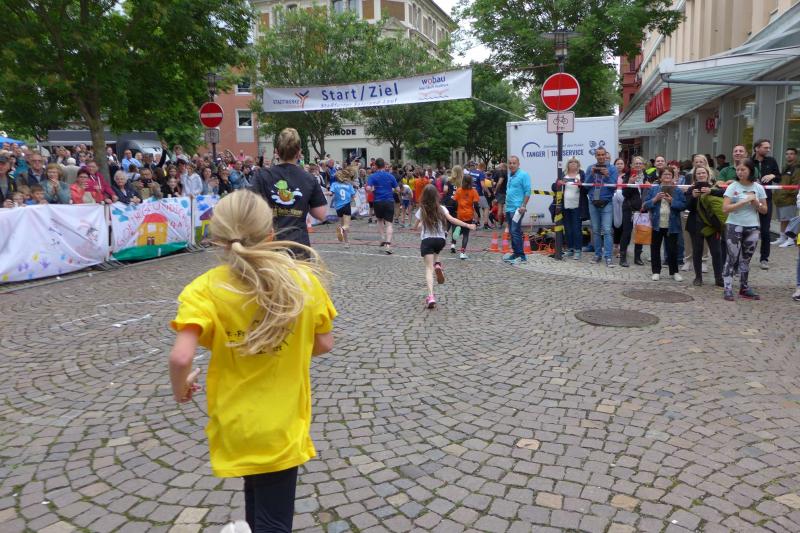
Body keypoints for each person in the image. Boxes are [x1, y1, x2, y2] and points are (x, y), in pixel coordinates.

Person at [168, 190, 335, 533]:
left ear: (217, 239)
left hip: (235, 422)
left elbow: (181, 356)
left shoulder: (204, 289)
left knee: (256, 496)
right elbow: (324, 343)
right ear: (270, 234)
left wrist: (180, 388)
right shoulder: (302, 281)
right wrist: (286, 345)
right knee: (274, 519)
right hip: (281, 424)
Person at [249, 128, 328, 249]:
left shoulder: (261, 175)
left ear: (276, 151)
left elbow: (249, 208)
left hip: (269, 245)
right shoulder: (309, 179)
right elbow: (321, 214)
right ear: (299, 153)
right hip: (298, 245)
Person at [413, 184, 476, 308]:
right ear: (436, 196)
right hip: (440, 240)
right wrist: (467, 225)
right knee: (436, 250)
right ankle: (437, 264)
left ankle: (431, 296)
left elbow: (416, 227)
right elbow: (452, 220)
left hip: (427, 240)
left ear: (424, 196)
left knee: (428, 269)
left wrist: (421, 224)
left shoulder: (422, 210)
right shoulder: (442, 208)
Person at [721, 158, 768, 300]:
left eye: (743, 170)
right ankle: (728, 288)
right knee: (732, 257)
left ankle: (744, 287)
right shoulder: (733, 187)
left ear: (750, 171)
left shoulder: (758, 188)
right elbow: (725, 208)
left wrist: (756, 203)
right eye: (738, 170)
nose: (740, 172)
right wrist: (742, 202)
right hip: (734, 225)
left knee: (746, 259)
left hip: (752, 227)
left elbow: (765, 210)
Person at [643, 167, 687, 281]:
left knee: (672, 249)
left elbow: (683, 206)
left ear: (672, 177)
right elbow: (645, 205)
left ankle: (674, 272)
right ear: (660, 176)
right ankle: (656, 271)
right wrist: (655, 199)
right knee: (655, 248)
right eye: (665, 174)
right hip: (656, 224)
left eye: (669, 175)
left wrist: (672, 201)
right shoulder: (654, 189)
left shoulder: (677, 190)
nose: (667, 177)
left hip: (672, 225)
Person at [687, 166, 724, 287]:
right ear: (695, 176)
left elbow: (724, 195)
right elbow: (687, 207)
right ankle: (698, 277)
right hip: (695, 224)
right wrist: (693, 197)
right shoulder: (691, 189)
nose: (701, 175)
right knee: (697, 251)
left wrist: (711, 191)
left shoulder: (715, 187)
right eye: (698, 173)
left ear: (708, 175)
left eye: (703, 173)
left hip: (712, 225)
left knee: (716, 252)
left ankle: (719, 278)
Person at [749, 139, 780, 270]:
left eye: (769, 147)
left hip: (765, 199)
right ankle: (744, 257)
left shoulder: (771, 161)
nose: (768, 150)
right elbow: (741, 177)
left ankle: (764, 258)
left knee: (765, 230)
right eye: (765, 147)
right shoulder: (749, 162)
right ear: (757, 148)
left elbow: (779, 177)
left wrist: (773, 175)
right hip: (750, 198)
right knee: (748, 229)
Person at [587, 147, 619, 267]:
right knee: (595, 230)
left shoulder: (612, 168)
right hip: (593, 201)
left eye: (602, 154)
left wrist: (607, 175)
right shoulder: (590, 168)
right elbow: (586, 186)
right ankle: (597, 255)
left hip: (606, 202)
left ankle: (608, 257)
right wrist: (591, 174)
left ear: (606, 155)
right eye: (598, 155)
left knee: (607, 230)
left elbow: (614, 186)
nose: (600, 157)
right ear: (595, 156)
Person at [366, 158, 399, 254]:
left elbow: (368, 188)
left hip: (378, 201)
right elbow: (397, 189)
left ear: (376, 166)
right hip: (389, 201)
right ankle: (388, 245)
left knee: (379, 220)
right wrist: (392, 190)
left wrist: (372, 189)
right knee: (389, 223)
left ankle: (382, 238)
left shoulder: (372, 176)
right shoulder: (390, 176)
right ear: (384, 166)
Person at [502, 155, 531, 264]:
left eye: (514, 163)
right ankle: (516, 253)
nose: (512, 165)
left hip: (518, 209)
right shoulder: (510, 175)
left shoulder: (523, 175)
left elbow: (528, 191)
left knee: (515, 230)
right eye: (510, 163)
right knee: (512, 231)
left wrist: (523, 205)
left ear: (518, 164)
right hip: (509, 208)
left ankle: (521, 256)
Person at [619, 156, 646, 267]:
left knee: (641, 233)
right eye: (636, 163)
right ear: (632, 165)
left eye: (640, 163)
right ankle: (623, 258)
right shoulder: (627, 176)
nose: (638, 165)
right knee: (626, 233)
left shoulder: (646, 176)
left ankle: (637, 257)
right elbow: (624, 194)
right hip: (629, 208)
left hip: (642, 209)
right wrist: (630, 183)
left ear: (643, 165)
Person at [773, 147, 799, 247]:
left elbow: (796, 186)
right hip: (781, 198)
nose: (789, 156)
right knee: (783, 219)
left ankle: (790, 240)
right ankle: (782, 237)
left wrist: (785, 194)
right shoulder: (786, 167)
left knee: (790, 220)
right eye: (787, 154)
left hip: (789, 199)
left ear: (796, 156)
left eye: (791, 154)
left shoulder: (797, 169)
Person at [452, 171, 480, 260]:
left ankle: (456, 234)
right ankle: (462, 253)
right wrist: (478, 214)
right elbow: (476, 204)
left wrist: (456, 210)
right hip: (469, 215)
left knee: (459, 227)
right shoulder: (473, 191)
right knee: (466, 234)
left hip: (460, 214)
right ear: (471, 182)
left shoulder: (459, 190)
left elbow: (454, 201)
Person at [561, 158, 584, 260]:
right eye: (571, 162)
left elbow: (586, 188)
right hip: (565, 205)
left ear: (578, 164)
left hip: (577, 206)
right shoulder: (563, 174)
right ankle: (570, 249)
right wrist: (559, 183)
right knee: (567, 228)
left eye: (575, 162)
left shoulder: (581, 174)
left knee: (576, 228)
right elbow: (554, 186)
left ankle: (578, 250)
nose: (573, 164)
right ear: (568, 164)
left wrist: (580, 185)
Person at [330, 167, 356, 247]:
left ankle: (346, 243)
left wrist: (324, 193)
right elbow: (353, 195)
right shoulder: (349, 185)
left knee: (342, 224)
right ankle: (343, 233)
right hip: (346, 205)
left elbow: (331, 193)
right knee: (346, 226)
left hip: (338, 207)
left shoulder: (334, 184)